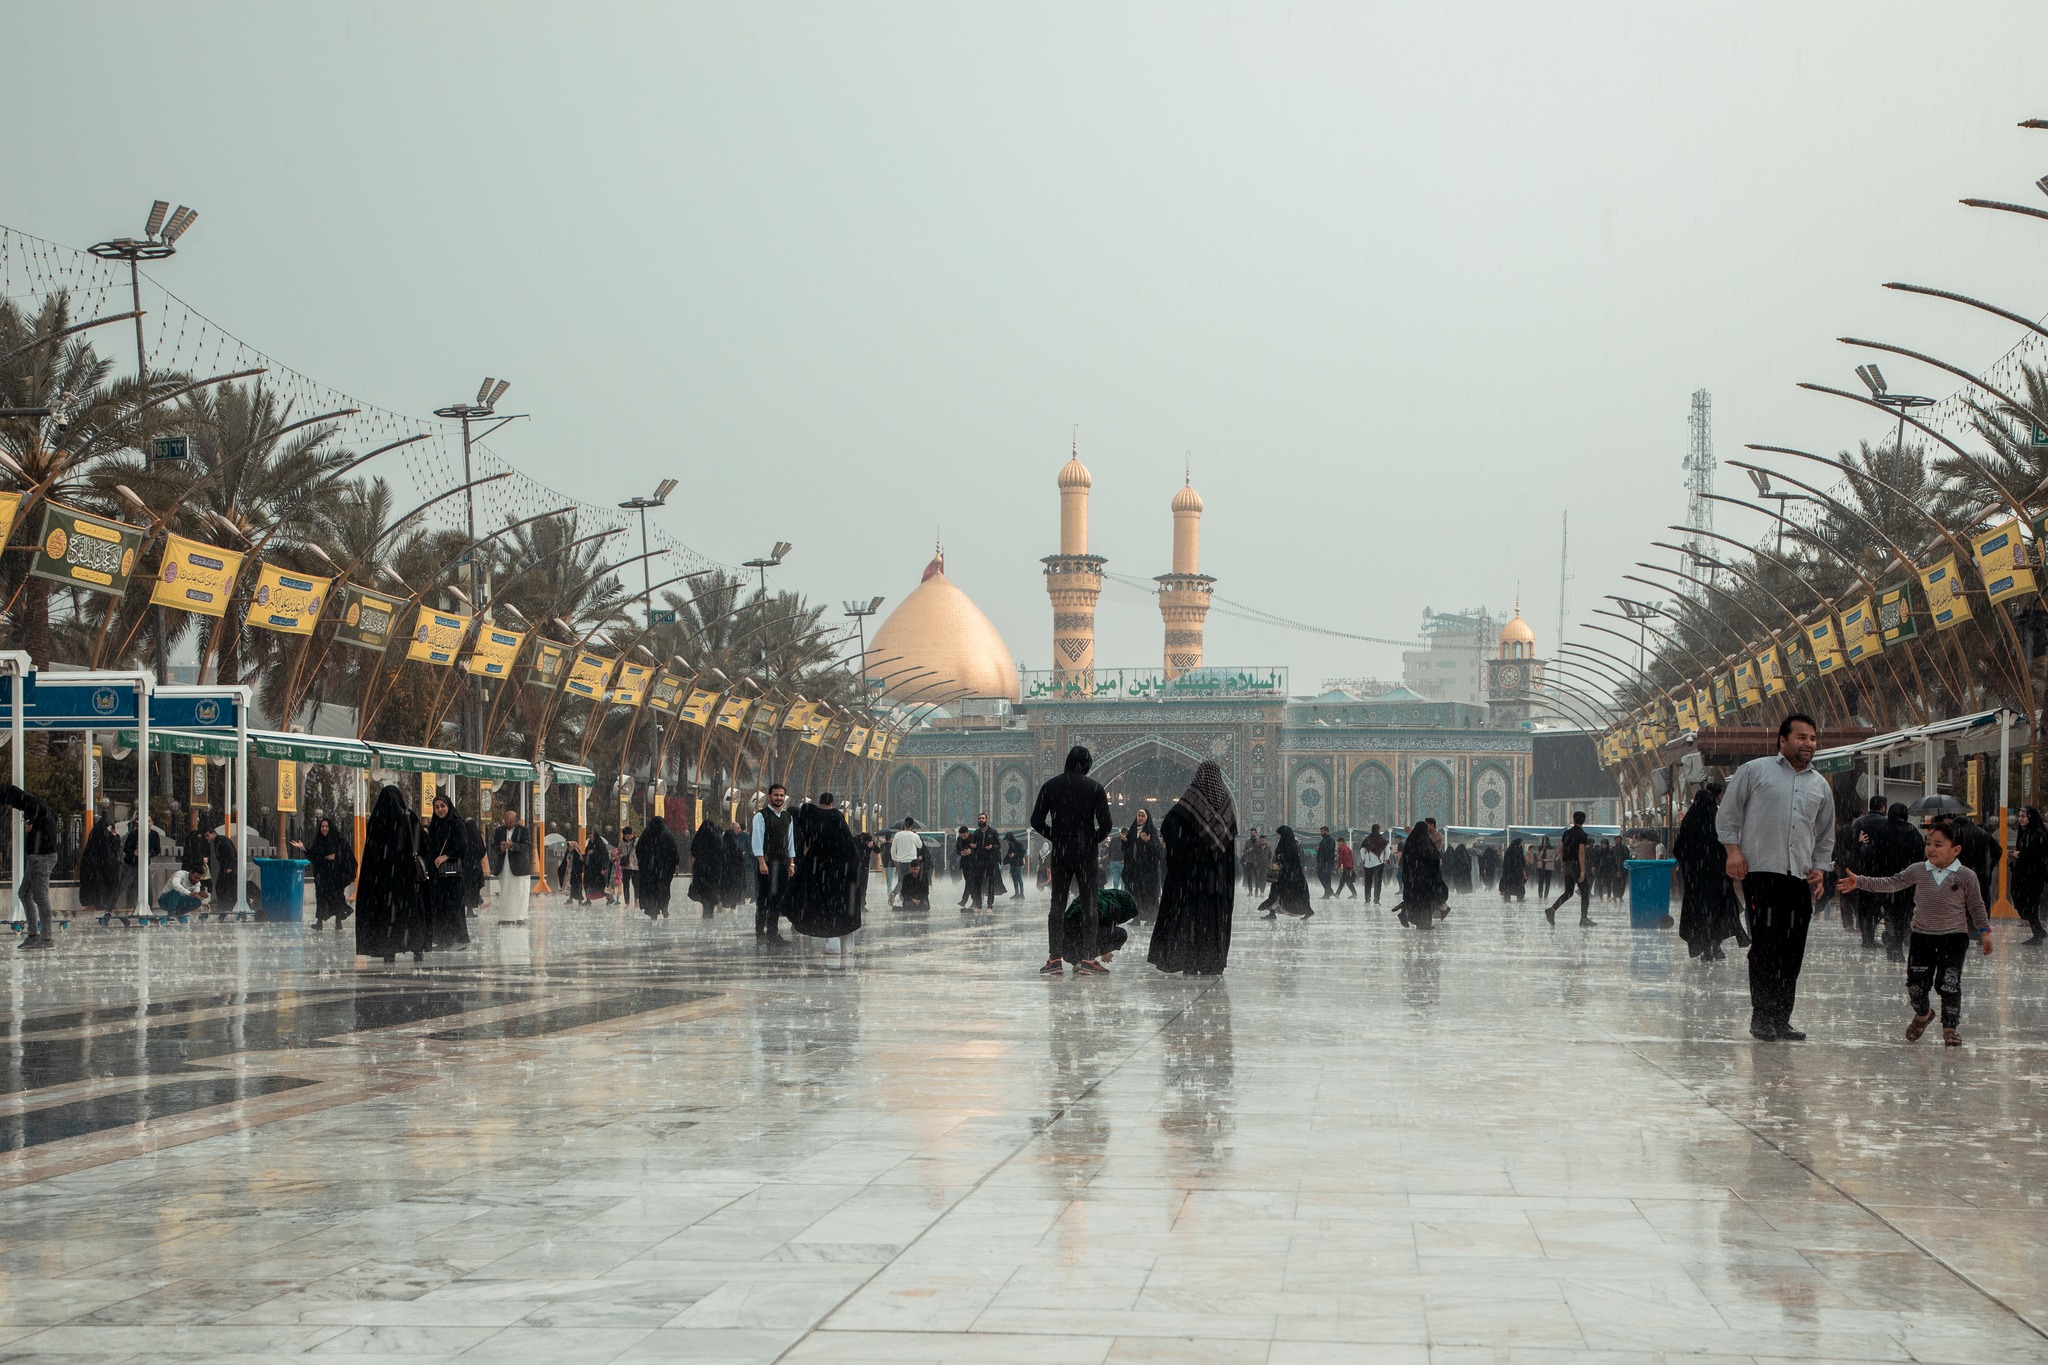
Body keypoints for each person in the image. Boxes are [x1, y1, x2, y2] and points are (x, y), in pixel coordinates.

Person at [1718, 713, 1834, 1042]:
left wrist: (1821, 869)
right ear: (1782, 741)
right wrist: (1733, 851)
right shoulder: (1754, 771)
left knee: (1792, 950)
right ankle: (1762, 1017)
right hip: (1762, 874)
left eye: (1812, 738)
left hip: (1799, 879)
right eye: (1801, 737)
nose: (1808, 743)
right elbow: (1727, 814)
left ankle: (1781, 1019)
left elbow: (1825, 834)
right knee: (1766, 947)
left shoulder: (1820, 785)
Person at [1838, 815, 1994, 1047]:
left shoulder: (1966, 876)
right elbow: (1891, 882)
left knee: (1949, 984)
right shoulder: (1918, 870)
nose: (1930, 849)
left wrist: (1984, 931)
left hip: (1954, 938)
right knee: (1916, 985)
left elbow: (1976, 905)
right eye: (1928, 843)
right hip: (1922, 937)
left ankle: (1950, 1028)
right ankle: (1923, 1015)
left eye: (1938, 844)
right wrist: (1860, 881)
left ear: (1956, 849)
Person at [1030, 744, 1114, 976]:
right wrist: (1090, 840)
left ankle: (1054, 958)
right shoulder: (1095, 788)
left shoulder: (1051, 786)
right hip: (1085, 854)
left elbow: (1036, 821)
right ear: (1087, 764)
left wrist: (1057, 837)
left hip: (1061, 853)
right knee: (1089, 905)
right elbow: (1106, 825)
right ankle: (1088, 958)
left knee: (1057, 905)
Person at [1147, 760, 1238, 975]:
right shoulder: (1227, 809)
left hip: (1190, 880)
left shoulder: (1189, 805)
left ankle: (1187, 959)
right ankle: (1211, 961)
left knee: (1189, 918)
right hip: (1216, 882)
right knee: (1212, 920)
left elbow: (1168, 825)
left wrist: (1182, 852)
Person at [783, 791, 864, 956]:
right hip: (845, 873)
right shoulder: (837, 818)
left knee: (829, 911)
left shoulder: (809, 817)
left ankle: (833, 947)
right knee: (845, 910)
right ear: (832, 803)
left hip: (822, 873)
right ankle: (846, 948)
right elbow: (850, 847)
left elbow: (795, 813)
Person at [357, 784, 428, 964]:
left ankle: (389, 950)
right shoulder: (408, 816)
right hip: (407, 880)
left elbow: (372, 853)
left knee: (388, 918)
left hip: (384, 881)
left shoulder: (377, 819)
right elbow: (422, 846)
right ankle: (416, 948)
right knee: (410, 916)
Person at [1674, 784, 1739, 961]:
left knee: (1700, 912)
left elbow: (1678, 848)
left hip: (1696, 879)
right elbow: (1726, 843)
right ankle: (1715, 945)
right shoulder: (1717, 818)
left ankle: (1705, 947)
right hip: (1717, 877)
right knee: (1718, 910)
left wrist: (1691, 866)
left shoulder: (1689, 820)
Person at [0, 784, 60, 949]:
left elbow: (38, 824)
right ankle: (33, 934)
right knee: (24, 893)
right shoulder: (34, 803)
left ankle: (47, 938)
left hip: (41, 856)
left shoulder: (31, 805)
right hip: (38, 856)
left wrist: (31, 825)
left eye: (8, 803)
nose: (9, 807)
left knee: (40, 897)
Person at [1844, 796, 1893, 948]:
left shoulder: (1857, 823)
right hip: (1881, 871)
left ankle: (1867, 936)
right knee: (1883, 906)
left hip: (1861, 870)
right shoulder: (1887, 823)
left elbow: (1850, 848)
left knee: (1864, 906)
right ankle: (1887, 935)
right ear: (1883, 807)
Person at [423, 795, 471, 949]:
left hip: (452, 875)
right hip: (438, 874)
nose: (440, 810)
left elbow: (462, 845)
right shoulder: (436, 824)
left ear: (449, 806)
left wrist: (446, 856)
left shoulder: (456, 823)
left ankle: (460, 939)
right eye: (436, 807)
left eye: (442, 806)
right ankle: (445, 939)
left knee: (453, 907)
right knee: (440, 907)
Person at [293, 815, 356, 930]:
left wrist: (337, 857)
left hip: (335, 875)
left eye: (326, 826)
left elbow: (348, 855)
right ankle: (319, 922)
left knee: (336, 897)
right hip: (322, 875)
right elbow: (314, 856)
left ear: (330, 827)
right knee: (321, 897)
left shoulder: (338, 840)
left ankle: (338, 922)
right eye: (322, 826)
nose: (324, 828)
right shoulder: (318, 841)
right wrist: (304, 848)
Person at [752, 784, 796, 939]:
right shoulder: (761, 816)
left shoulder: (787, 817)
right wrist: (761, 862)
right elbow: (757, 841)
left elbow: (790, 842)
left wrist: (791, 863)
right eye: (776, 795)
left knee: (777, 898)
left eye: (782, 795)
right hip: (767, 864)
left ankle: (772, 932)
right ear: (769, 796)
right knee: (764, 897)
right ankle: (760, 932)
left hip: (783, 863)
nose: (779, 798)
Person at [1544, 812, 1595, 927]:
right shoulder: (1582, 834)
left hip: (1567, 864)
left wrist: (1562, 865)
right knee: (1585, 891)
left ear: (1573, 819)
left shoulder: (1566, 833)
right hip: (1576, 865)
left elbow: (1561, 849)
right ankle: (1583, 918)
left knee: (1568, 892)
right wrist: (1582, 870)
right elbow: (1581, 852)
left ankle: (1552, 910)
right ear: (1584, 820)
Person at [1394, 819, 1446, 929]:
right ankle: (1424, 923)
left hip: (1412, 876)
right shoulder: (1426, 841)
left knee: (1415, 899)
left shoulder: (1410, 841)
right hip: (1424, 877)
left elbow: (1406, 859)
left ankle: (1412, 918)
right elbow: (1432, 857)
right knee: (1425, 901)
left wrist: (1407, 875)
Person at [1257, 825, 1315, 918]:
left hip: (1290, 875)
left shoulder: (1290, 845)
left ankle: (1307, 910)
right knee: (1275, 893)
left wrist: (1282, 857)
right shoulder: (1283, 844)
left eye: (1279, 835)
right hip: (1281, 874)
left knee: (1295, 895)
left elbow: (1292, 859)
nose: (1278, 837)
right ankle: (1272, 913)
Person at [489, 802, 533, 920]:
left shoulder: (524, 831)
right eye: (506, 823)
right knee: (506, 892)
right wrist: (501, 847)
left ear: (516, 820)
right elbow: (493, 845)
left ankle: (520, 916)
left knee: (520, 892)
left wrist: (512, 845)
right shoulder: (499, 831)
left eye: (510, 823)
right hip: (504, 865)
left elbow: (526, 846)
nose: (508, 826)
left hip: (519, 866)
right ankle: (506, 916)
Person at [2011, 805, 2047, 945]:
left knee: (2030, 905)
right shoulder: (2024, 831)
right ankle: (2038, 932)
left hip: (2033, 876)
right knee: (2024, 905)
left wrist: (2021, 854)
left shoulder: (2037, 833)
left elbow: (2038, 853)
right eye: (2019, 816)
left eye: (2023, 816)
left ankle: (2038, 933)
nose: (2021, 819)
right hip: (2023, 875)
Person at [1121, 808, 1162, 920]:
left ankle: (1150, 917)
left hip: (1147, 870)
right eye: (1139, 815)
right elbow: (1127, 850)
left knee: (1148, 894)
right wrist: (1124, 843)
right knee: (1135, 893)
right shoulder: (1132, 831)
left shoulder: (1151, 831)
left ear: (1147, 818)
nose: (1140, 818)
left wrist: (1148, 842)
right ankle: (1137, 917)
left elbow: (1157, 851)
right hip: (1134, 869)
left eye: (1143, 816)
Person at [78, 817, 123, 914]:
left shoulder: (94, 838)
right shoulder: (106, 839)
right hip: (101, 882)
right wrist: (116, 836)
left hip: (92, 877)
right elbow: (110, 855)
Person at [637, 816, 680, 918]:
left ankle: (653, 909)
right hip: (665, 868)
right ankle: (664, 906)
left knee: (651, 889)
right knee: (664, 888)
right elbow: (674, 851)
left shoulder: (646, 834)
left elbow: (639, 849)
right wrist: (674, 863)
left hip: (650, 869)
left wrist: (644, 862)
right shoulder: (667, 835)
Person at [962, 813, 1001, 911]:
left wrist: (992, 847)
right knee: (977, 882)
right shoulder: (976, 833)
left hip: (990, 860)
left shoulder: (993, 832)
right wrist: (972, 848)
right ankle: (979, 905)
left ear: (986, 819)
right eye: (979, 818)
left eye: (983, 818)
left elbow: (998, 845)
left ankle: (989, 905)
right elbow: (973, 846)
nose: (981, 820)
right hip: (979, 860)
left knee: (990, 882)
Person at [688, 816, 725, 914]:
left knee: (704, 891)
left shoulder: (698, 838)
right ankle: (714, 904)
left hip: (700, 868)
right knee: (711, 889)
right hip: (713, 869)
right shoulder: (716, 838)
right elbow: (721, 852)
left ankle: (708, 912)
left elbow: (693, 851)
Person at [888, 819, 923, 908]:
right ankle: (904, 897)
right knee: (909, 880)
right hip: (912, 861)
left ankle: (898, 895)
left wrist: (894, 859)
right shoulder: (914, 835)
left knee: (902, 880)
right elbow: (920, 845)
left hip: (901, 861)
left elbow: (893, 849)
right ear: (912, 825)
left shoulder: (898, 835)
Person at [462, 810, 488, 914]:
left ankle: (470, 908)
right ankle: (472, 908)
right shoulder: (477, 836)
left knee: (466, 888)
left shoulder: (463, 835)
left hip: (465, 867)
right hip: (475, 867)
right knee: (474, 887)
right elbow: (482, 850)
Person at [581, 827, 612, 906]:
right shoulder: (589, 845)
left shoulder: (600, 845)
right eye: (589, 837)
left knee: (601, 884)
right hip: (590, 869)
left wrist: (595, 852)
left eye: (591, 837)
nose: (590, 839)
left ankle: (609, 898)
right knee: (587, 884)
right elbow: (587, 854)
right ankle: (588, 899)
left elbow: (604, 856)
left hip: (598, 869)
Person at [899, 840, 933, 910]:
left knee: (925, 906)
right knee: (908, 906)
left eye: (917, 869)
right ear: (911, 869)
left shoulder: (923, 877)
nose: (915, 871)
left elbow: (926, 891)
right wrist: (912, 899)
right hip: (910, 899)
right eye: (913, 869)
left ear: (919, 868)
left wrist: (919, 899)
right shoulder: (906, 878)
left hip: (921, 899)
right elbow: (904, 892)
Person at [1360, 824, 1388, 903]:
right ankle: (1376, 899)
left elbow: (1362, 850)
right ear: (1378, 829)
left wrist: (1364, 859)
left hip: (1368, 864)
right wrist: (1385, 859)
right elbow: (1387, 851)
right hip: (1379, 863)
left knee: (1368, 882)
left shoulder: (1367, 839)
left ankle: (1367, 899)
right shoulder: (1382, 839)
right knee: (1378, 882)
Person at [557, 835, 585, 905]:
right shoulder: (568, 853)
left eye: (570, 846)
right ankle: (570, 899)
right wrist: (560, 869)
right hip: (568, 872)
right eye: (568, 846)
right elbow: (564, 862)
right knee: (569, 885)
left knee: (576, 886)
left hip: (575, 873)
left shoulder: (577, 854)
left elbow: (580, 863)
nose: (569, 847)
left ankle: (579, 900)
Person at [1499, 837, 1528, 902]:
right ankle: (1519, 898)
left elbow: (1506, 862)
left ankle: (1508, 898)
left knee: (1509, 886)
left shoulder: (1510, 850)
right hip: (1517, 872)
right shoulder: (1518, 849)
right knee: (1518, 885)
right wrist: (1523, 867)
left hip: (1510, 872)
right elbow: (1522, 859)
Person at [1314, 826, 1337, 898]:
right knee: (1320, 875)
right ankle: (1329, 891)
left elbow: (1329, 851)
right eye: (1321, 832)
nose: (1321, 833)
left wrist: (1320, 849)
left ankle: (1327, 893)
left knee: (1326, 876)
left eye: (1322, 831)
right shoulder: (1323, 840)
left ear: (1327, 831)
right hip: (1322, 861)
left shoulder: (1330, 840)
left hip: (1327, 861)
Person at [1004, 831, 1026, 899]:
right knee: (1014, 879)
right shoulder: (1011, 846)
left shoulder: (1018, 844)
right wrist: (1006, 860)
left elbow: (1022, 852)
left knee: (1019, 879)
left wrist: (1015, 854)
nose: (1007, 841)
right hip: (1013, 864)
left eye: (1007, 840)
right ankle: (1016, 893)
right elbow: (1009, 854)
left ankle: (1021, 894)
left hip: (1018, 864)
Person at [1533, 836, 1554, 900]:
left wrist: (1545, 860)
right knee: (1540, 882)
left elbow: (1553, 858)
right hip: (1541, 867)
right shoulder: (1539, 848)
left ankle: (1546, 896)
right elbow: (1538, 857)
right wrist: (1542, 850)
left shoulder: (1552, 848)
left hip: (1548, 867)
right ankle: (1540, 895)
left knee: (1547, 882)